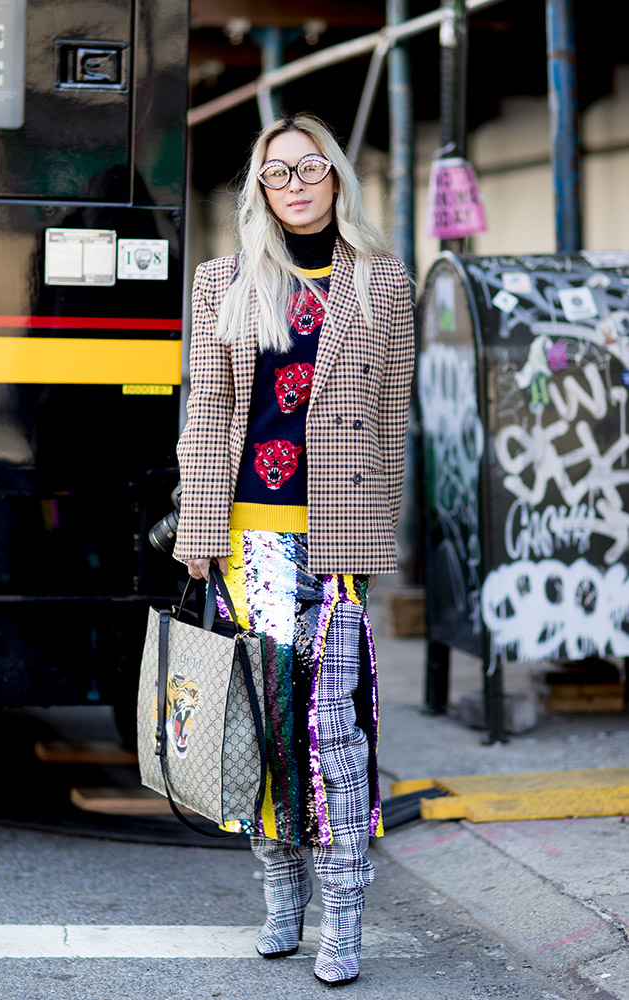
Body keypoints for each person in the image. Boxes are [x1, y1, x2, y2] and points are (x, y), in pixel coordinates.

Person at [174, 113, 414, 986]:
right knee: (267, 725)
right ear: (261, 189)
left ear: (337, 178)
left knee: (335, 734)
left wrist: (372, 534)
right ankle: (282, 895)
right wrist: (198, 531)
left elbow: (391, 421)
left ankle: (344, 915)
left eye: (312, 166)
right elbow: (207, 412)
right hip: (247, 540)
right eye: (279, 172)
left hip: (334, 539)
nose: (298, 182)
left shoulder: (383, 283)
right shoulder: (223, 280)